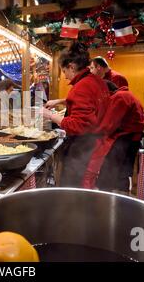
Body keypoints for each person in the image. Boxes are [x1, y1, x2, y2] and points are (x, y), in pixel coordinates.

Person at [41, 43, 111, 187]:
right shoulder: (96, 81)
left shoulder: (82, 86)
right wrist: (60, 101)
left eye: (64, 70)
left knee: (74, 190)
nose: (65, 76)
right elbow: (89, 104)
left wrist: (49, 115)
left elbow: (77, 125)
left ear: (71, 66)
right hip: (97, 144)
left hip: (85, 148)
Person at [82, 82, 144, 192]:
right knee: (122, 173)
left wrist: (90, 132)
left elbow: (108, 124)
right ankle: (121, 198)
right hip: (132, 139)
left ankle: (108, 198)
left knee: (111, 172)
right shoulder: (127, 94)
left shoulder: (119, 97)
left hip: (126, 139)